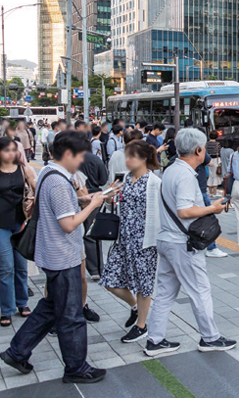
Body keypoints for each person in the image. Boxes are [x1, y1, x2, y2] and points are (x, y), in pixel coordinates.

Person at [0, 131, 114, 383]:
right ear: (68, 154)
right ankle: (76, 368)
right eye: (81, 155)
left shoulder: (49, 174)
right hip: (63, 257)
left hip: (53, 255)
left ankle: (16, 352)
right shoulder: (59, 182)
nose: (83, 160)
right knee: (71, 315)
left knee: (51, 307)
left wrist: (86, 198)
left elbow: (59, 205)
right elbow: (68, 223)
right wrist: (93, 206)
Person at [145, 128, 236, 356]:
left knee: (165, 291)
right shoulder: (185, 175)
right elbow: (185, 211)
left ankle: (155, 340)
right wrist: (213, 208)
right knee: (200, 290)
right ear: (198, 150)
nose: (205, 152)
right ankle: (210, 338)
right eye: (204, 148)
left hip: (167, 239)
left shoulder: (172, 170)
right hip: (181, 243)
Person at [100, 140, 162, 343]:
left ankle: (141, 325)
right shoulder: (124, 179)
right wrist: (108, 195)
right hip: (123, 238)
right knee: (109, 279)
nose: (127, 160)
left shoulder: (154, 182)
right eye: (127, 156)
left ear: (144, 158)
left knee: (144, 285)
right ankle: (135, 308)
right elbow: (111, 201)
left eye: (131, 156)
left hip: (145, 241)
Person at [0, 137, 37, 326]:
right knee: (6, 268)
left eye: (14, 150)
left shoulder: (24, 169)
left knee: (21, 266)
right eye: (7, 150)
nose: (12, 153)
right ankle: (7, 309)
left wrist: (32, 198)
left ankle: (22, 303)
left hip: (20, 223)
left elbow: (38, 188)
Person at [78, 140, 109, 280]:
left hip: (79, 196)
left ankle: (92, 268)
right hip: (96, 195)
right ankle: (99, 268)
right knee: (94, 232)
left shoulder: (74, 159)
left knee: (86, 234)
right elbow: (103, 179)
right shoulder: (95, 159)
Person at [206, 132, 222, 197]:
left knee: (210, 175)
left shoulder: (207, 144)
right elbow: (219, 152)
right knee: (215, 176)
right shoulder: (217, 144)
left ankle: (210, 192)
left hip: (208, 159)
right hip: (215, 160)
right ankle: (214, 192)